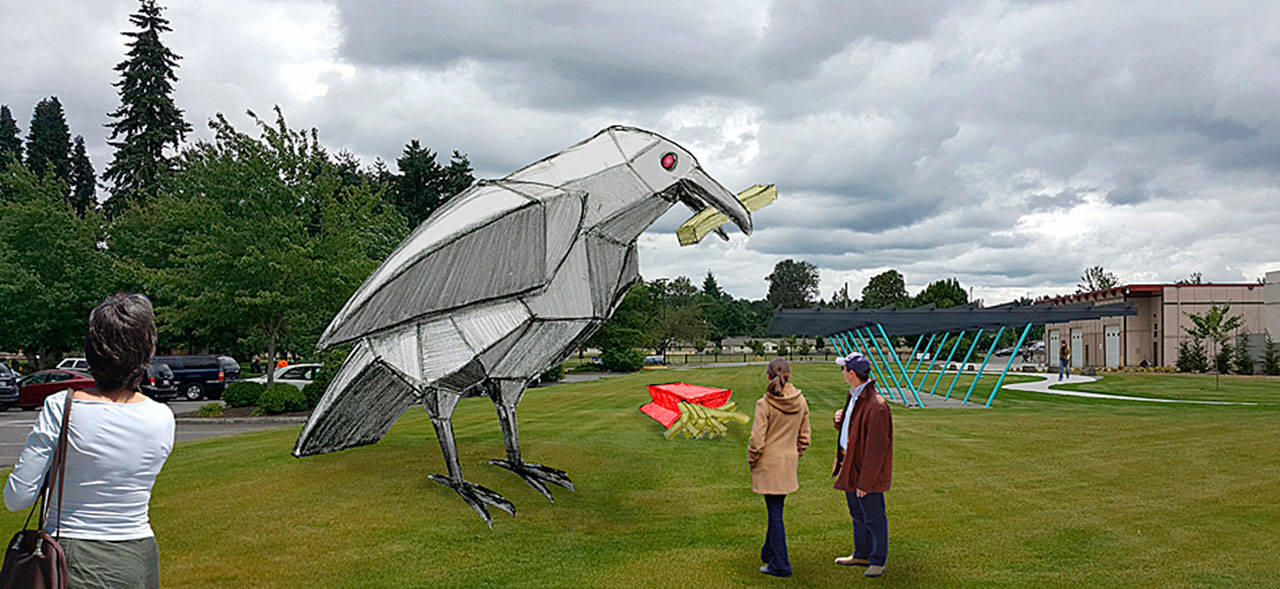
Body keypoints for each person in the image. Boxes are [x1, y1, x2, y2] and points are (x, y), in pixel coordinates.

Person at [4, 293, 175, 589]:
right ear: (146, 351)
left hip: (71, 560)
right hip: (138, 559)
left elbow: (17, 497)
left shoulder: (61, 406)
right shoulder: (161, 417)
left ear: (92, 351)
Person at [747, 358, 811, 578]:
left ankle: (781, 565)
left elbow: (757, 441)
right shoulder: (801, 401)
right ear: (789, 376)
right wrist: (794, 455)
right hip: (787, 462)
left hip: (768, 463)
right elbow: (804, 438)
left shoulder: (763, 404)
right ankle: (768, 552)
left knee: (775, 513)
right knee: (776, 509)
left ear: (768, 375)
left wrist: (752, 459)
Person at [831, 352, 892, 578]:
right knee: (857, 513)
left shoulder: (877, 406)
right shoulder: (856, 396)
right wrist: (840, 420)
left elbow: (877, 450)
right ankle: (861, 554)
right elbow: (854, 429)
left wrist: (866, 482)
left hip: (865, 470)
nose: (842, 373)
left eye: (843, 369)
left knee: (874, 515)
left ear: (852, 374)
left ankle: (877, 560)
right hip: (850, 463)